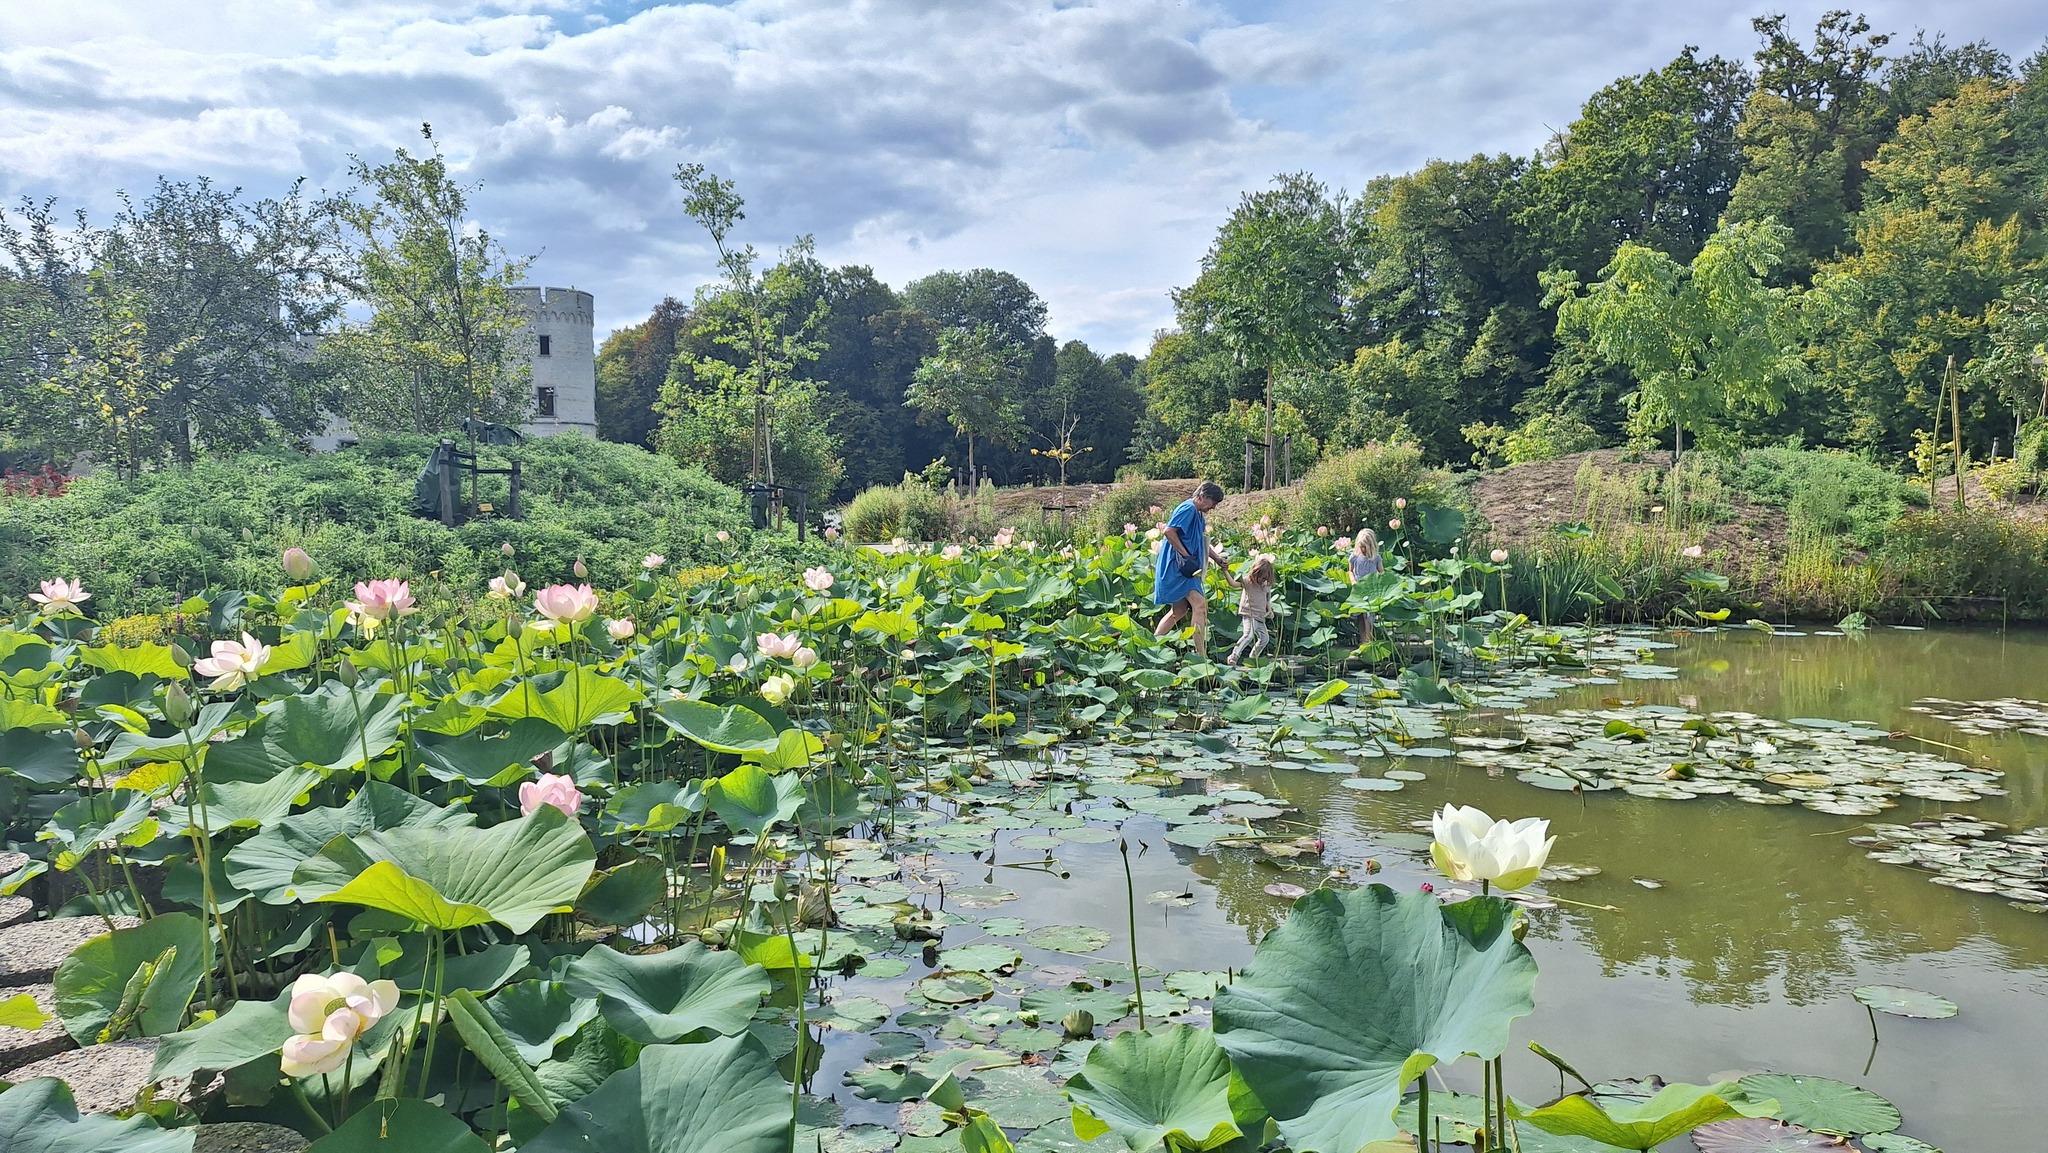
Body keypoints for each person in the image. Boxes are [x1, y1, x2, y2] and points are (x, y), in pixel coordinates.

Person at [1153, 481, 1229, 656]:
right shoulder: (1187, 509)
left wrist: (1217, 558)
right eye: (1213, 503)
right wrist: (1186, 555)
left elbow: (1200, 541)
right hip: (1178, 566)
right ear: (1203, 497)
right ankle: (1201, 655)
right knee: (1200, 605)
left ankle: (1152, 644)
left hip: (1188, 567)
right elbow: (1168, 532)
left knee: (1178, 611)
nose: (1214, 508)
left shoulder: (1198, 514)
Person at [1225, 553, 1277, 666]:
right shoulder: (1247, 582)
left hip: (1260, 616)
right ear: (1254, 573)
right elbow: (1233, 584)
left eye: (1265, 578)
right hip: (1249, 613)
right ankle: (1233, 656)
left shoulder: (1266, 585)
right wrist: (1225, 571)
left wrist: (1270, 610)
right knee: (1248, 635)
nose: (1262, 580)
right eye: (1260, 577)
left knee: (1264, 639)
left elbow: (1267, 599)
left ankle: (1253, 657)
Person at [1349, 528, 1382, 645]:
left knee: (1368, 616)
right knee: (1358, 616)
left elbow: (1382, 574)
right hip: (1358, 590)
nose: (1363, 549)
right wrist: (1353, 581)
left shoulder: (1376, 558)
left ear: (1371, 546)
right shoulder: (1353, 557)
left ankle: (1368, 641)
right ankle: (1362, 639)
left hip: (1371, 590)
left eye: (1365, 547)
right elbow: (1350, 571)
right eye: (1361, 547)